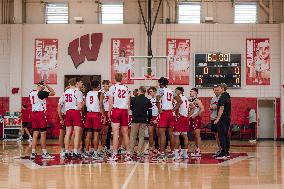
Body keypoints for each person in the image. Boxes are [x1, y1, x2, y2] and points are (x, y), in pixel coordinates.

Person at [156, 77, 182, 161]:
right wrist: (173, 109)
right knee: (171, 134)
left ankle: (162, 153)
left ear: (160, 83)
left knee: (161, 134)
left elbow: (157, 100)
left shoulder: (161, 90)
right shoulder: (171, 91)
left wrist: (159, 109)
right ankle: (173, 152)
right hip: (170, 113)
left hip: (164, 113)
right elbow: (180, 101)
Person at [107, 73, 131, 161]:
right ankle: (128, 153)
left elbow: (110, 101)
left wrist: (109, 111)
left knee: (116, 134)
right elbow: (128, 102)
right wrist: (127, 113)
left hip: (116, 110)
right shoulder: (126, 88)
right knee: (125, 133)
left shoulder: (113, 87)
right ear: (122, 79)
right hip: (124, 111)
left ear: (115, 78)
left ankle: (114, 155)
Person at [29, 81, 55, 159]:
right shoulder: (40, 93)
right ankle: (44, 153)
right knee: (43, 133)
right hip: (40, 114)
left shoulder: (31, 92)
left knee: (35, 133)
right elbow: (53, 92)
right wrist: (47, 85)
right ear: (41, 86)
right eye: (43, 87)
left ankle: (33, 153)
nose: (44, 89)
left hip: (33, 114)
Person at [84, 80, 105, 160]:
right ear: (98, 85)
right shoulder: (100, 93)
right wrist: (103, 115)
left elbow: (85, 104)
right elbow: (101, 105)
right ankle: (95, 153)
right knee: (96, 134)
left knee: (88, 134)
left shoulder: (88, 93)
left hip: (89, 114)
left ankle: (87, 152)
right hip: (96, 114)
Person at [63, 78, 84, 158]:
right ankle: (75, 152)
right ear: (76, 83)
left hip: (68, 112)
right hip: (75, 112)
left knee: (68, 133)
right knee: (77, 132)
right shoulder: (77, 92)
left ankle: (66, 152)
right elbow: (80, 106)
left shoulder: (66, 92)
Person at [130, 86, 152, 158]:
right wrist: (148, 121)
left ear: (139, 91)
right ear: (145, 91)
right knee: (141, 136)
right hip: (143, 120)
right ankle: (139, 152)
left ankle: (131, 152)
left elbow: (131, 108)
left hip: (135, 120)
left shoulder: (134, 99)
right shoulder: (147, 100)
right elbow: (149, 111)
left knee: (133, 136)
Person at [214, 83, 231, 159]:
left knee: (222, 135)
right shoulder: (228, 96)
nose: (218, 89)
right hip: (227, 118)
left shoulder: (222, 97)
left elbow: (222, 108)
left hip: (223, 119)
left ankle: (223, 153)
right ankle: (226, 152)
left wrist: (217, 119)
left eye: (219, 88)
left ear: (222, 89)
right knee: (225, 135)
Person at [173, 87, 189, 160]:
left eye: (177, 90)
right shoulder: (186, 98)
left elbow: (177, 106)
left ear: (181, 91)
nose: (175, 91)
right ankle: (185, 154)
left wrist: (176, 115)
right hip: (185, 117)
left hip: (180, 118)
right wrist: (188, 116)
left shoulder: (178, 98)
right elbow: (193, 107)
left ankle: (176, 154)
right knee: (185, 136)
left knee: (176, 135)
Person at [188, 88, 204, 157]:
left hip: (196, 118)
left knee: (197, 134)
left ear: (195, 92)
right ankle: (196, 149)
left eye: (191, 91)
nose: (190, 92)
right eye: (190, 91)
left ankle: (198, 150)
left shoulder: (197, 100)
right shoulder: (189, 100)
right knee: (193, 135)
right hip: (191, 118)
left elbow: (202, 109)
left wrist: (195, 115)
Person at [101, 80, 112, 155]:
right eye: (107, 84)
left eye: (109, 84)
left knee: (109, 132)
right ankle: (103, 147)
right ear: (103, 85)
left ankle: (107, 147)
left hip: (110, 112)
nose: (108, 86)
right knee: (103, 132)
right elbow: (100, 104)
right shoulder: (100, 92)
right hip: (104, 112)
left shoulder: (110, 92)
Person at [210, 86, 221, 157]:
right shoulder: (213, 99)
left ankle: (222, 149)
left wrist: (215, 107)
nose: (216, 91)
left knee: (220, 135)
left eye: (217, 90)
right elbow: (211, 108)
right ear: (213, 91)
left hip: (219, 118)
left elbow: (220, 107)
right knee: (216, 135)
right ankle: (219, 149)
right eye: (215, 90)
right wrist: (212, 107)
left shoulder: (222, 98)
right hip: (213, 118)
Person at [148, 87, 159, 153]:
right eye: (149, 92)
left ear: (155, 91)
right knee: (150, 133)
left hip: (157, 117)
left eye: (151, 91)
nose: (150, 93)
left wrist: (158, 119)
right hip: (151, 117)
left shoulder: (158, 99)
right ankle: (150, 147)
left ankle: (157, 147)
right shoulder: (150, 100)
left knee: (158, 134)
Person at [58, 93, 66, 157]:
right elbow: (58, 110)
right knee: (62, 133)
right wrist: (61, 119)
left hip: (69, 115)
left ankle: (68, 150)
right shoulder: (62, 98)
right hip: (64, 115)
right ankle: (62, 150)